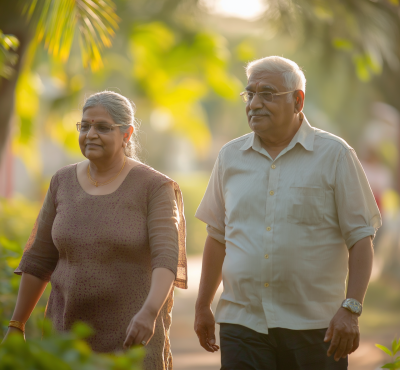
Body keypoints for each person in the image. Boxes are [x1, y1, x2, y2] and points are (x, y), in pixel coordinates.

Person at [194, 56, 381, 370]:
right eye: (250, 93)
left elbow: (361, 239)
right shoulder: (230, 157)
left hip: (315, 327)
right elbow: (217, 236)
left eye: (267, 94)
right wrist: (202, 306)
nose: (254, 103)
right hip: (243, 323)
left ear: (298, 100)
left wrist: (351, 309)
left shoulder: (335, 156)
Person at [4, 91, 187, 370]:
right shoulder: (62, 182)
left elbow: (166, 259)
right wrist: (17, 324)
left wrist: (150, 312)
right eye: (85, 125)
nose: (90, 134)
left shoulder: (154, 187)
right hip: (66, 340)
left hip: (132, 337)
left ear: (127, 134)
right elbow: (39, 260)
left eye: (103, 127)